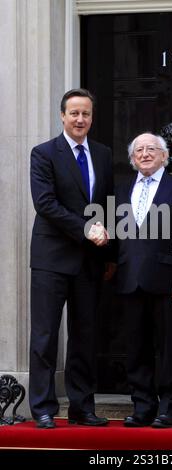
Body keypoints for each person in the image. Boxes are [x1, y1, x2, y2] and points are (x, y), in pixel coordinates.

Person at [29, 88, 114, 428]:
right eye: (74, 113)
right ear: (62, 116)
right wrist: (84, 229)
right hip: (52, 258)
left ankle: (81, 407)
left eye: (86, 114)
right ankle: (43, 408)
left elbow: (107, 206)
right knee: (46, 336)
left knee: (84, 336)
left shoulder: (104, 154)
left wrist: (111, 256)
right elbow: (45, 204)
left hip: (91, 262)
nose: (80, 119)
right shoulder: (44, 153)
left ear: (92, 118)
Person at [115, 132, 172, 428]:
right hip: (129, 279)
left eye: (152, 149)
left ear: (164, 156)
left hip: (166, 280)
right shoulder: (122, 189)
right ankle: (142, 406)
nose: (145, 153)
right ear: (132, 158)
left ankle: (168, 407)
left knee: (168, 348)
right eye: (139, 150)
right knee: (136, 347)